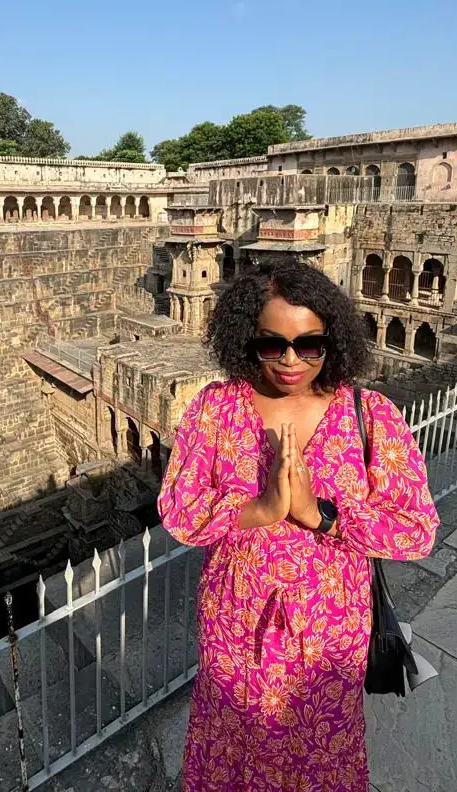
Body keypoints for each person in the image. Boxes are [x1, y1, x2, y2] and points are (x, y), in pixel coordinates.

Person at [157, 262, 439, 791]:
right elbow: (179, 511)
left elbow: (416, 529)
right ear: (248, 339)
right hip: (237, 628)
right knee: (233, 748)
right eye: (273, 345)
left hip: (330, 634)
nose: (291, 361)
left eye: (310, 344)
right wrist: (259, 509)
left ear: (333, 341)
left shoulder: (369, 414)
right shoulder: (216, 409)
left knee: (318, 757)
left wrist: (322, 515)